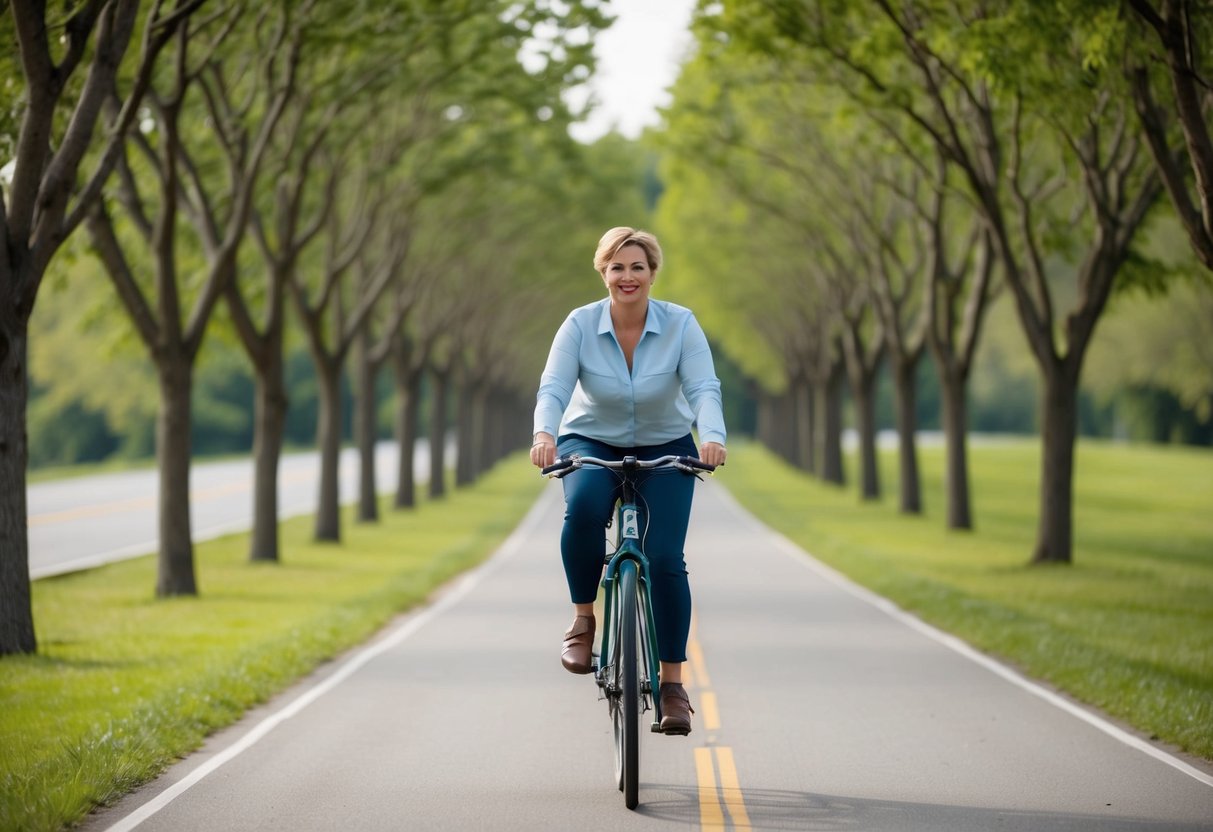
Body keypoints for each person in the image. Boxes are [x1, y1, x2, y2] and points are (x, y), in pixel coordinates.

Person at [530, 226, 727, 736]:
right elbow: (554, 386)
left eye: (637, 266)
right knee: (585, 508)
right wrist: (544, 433)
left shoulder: (681, 324)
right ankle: (582, 619)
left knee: (664, 558)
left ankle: (672, 686)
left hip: (666, 443)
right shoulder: (579, 324)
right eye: (617, 267)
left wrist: (712, 435)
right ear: (603, 272)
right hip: (590, 440)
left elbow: (703, 385)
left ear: (652, 273)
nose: (627, 276)